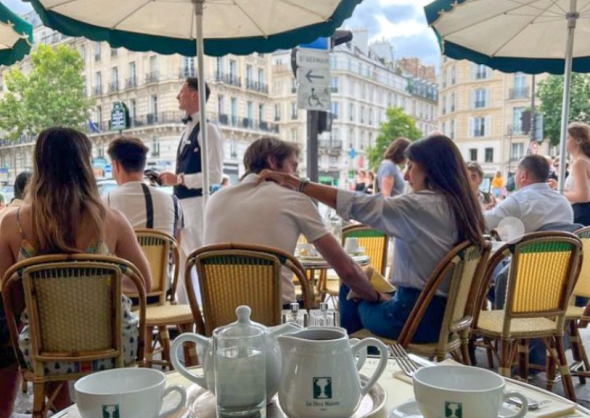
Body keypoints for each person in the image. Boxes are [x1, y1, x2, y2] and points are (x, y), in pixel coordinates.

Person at [0, 127, 152, 418]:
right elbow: (145, 282)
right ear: (85, 164)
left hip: (44, 349)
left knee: (46, 344)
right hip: (113, 345)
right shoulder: (111, 219)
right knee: (109, 333)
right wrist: (99, 286)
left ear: (39, 164)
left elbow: (7, 300)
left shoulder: (12, 224)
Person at [259, 135, 485, 342]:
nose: (406, 176)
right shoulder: (464, 207)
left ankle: (352, 358)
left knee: (350, 287)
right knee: (362, 281)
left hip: (414, 319)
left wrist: (298, 184)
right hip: (447, 316)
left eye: (411, 167)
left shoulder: (421, 205)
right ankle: (357, 359)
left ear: (431, 170)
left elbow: (358, 204)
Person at [204, 137, 379, 306]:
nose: (295, 175)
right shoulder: (293, 200)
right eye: (293, 166)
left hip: (218, 320)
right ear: (272, 161)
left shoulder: (215, 199)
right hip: (276, 321)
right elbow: (347, 270)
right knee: (357, 298)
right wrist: (377, 296)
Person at [159, 77, 224, 304]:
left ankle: (208, 312)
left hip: (197, 205)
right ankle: (184, 317)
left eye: (182, 92)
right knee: (183, 261)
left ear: (195, 95)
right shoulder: (188, 130)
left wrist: (179, 179)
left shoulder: (208, 130)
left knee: (198, 258)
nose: (178, 96)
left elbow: (214, 175)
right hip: (182, 205)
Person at [106, 136, 183, 241]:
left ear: (116, 165)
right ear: (143, 164)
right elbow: (176, 249)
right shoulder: (173, 203)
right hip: (161, 257)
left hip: (123, 258)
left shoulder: (106, 203)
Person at [484, 155, 574, 235]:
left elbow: (482, 222)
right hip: (563, 254)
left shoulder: (518, 201)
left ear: (523, 176)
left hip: (525, 253)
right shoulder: (564, 203)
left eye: (516, 173)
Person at [563, 122, 590, 226]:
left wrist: (558, 193)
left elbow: (583, 196)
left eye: (568, 138)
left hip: (581, 215)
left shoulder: (580, 163)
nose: (565, 141)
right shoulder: (584, 161)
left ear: (578, 140)